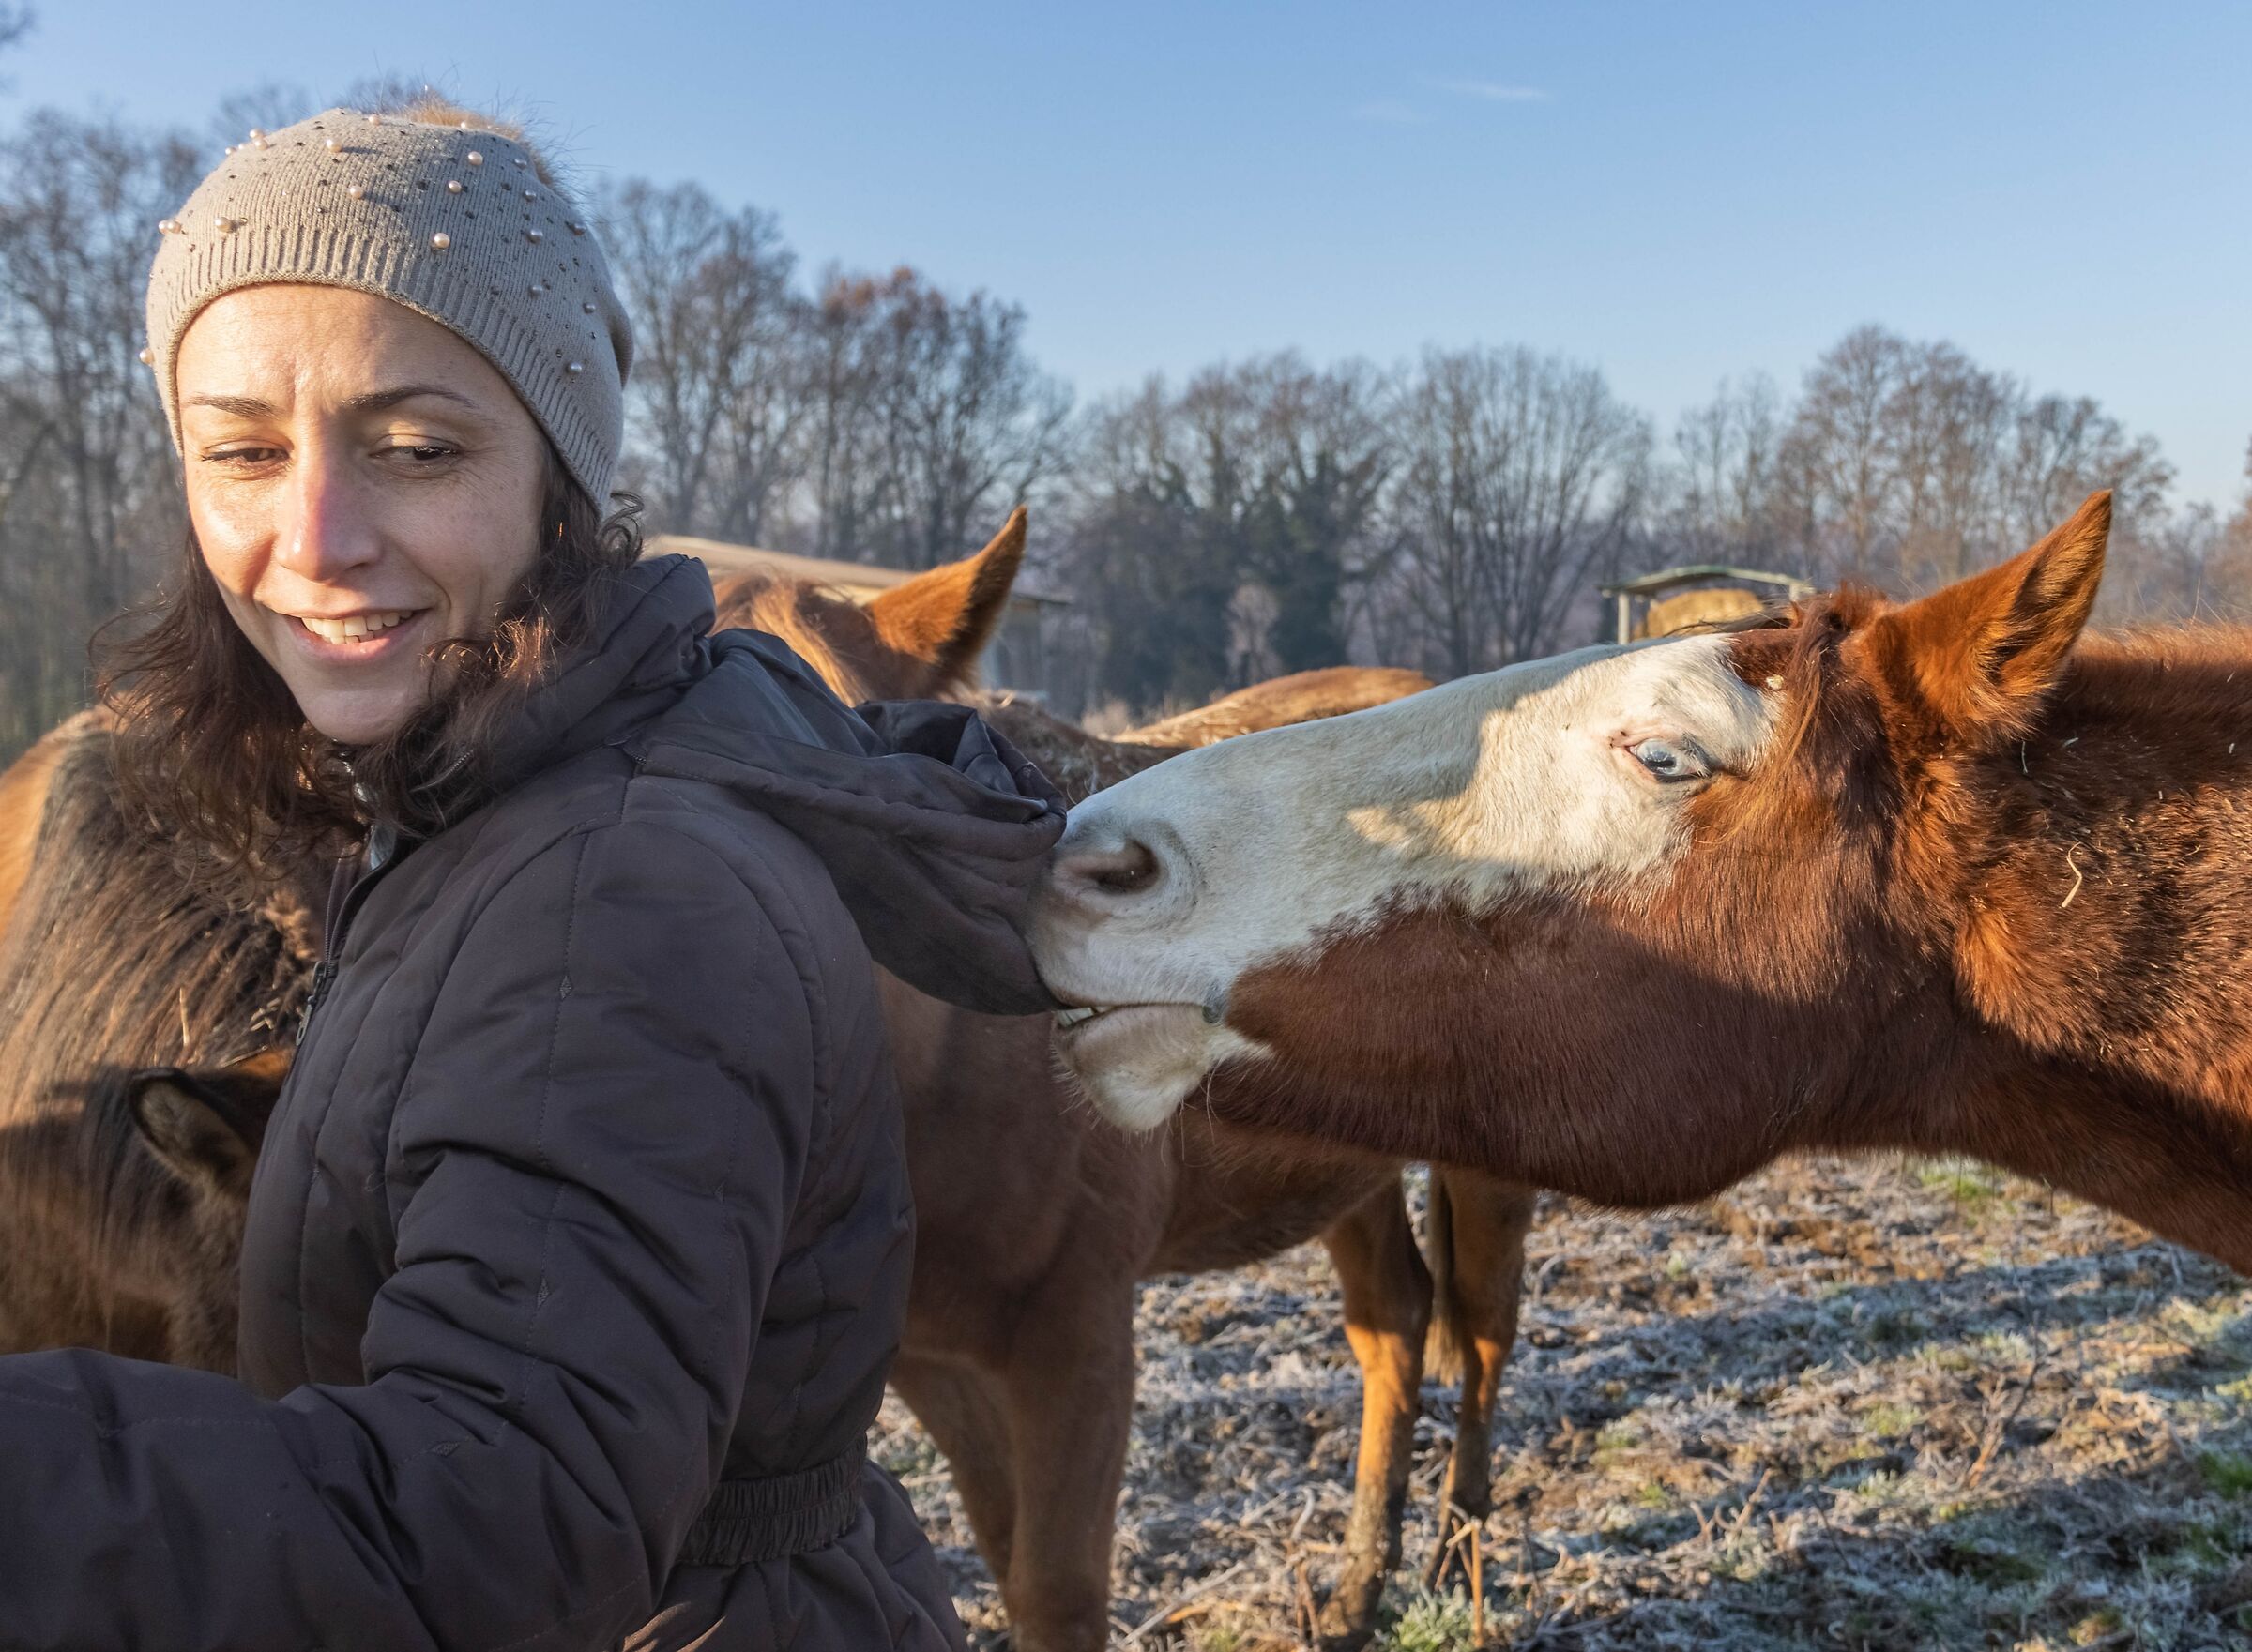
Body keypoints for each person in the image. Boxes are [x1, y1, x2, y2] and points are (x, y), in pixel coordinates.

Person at [0, 99, 1063, 1648]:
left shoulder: (625, 891)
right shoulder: (471, 801)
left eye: (416, 447)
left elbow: (486, 1529)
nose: (314, 536)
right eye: (240, 448)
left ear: (561, 476)